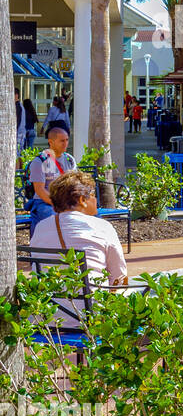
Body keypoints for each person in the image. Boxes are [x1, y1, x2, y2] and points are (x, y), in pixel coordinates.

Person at [29, 172, 129, 327]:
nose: (96, 200)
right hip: (92, 316)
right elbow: (119, 278)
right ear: (82, 200)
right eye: (92, 195)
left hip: (47, 317)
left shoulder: (40, 228)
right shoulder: (102, 227)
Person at [26, 125, 78, 226]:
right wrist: (60, 205)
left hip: (66, 202)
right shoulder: (40, 161)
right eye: (62, 141)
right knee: (54, 217)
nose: (65, 144)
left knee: (93, 215)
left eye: (67, 140)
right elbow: (40, 190)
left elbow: (74, 184)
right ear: (51, 142)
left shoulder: (70, 160)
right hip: (43, 202)